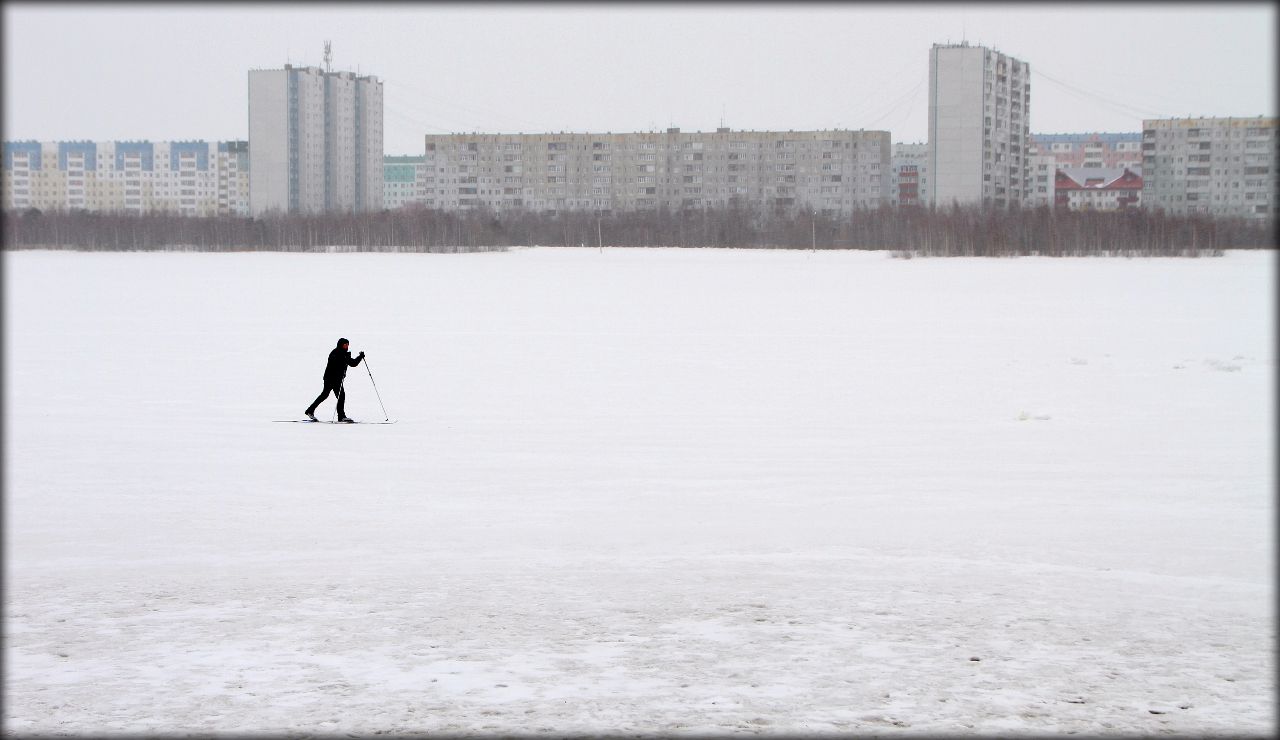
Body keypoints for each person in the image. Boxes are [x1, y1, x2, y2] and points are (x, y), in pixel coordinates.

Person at [305, 338, 365, 422]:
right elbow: (335, 364)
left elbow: (353, 363)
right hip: (331, 378)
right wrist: (344, 361)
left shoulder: (344, 354)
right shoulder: (335, 353)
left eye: (347, 344)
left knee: (327, 395)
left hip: (337, 379)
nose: (347, 346)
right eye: (345, 344)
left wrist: (360, 357)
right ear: (341, 345)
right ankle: (341, 416)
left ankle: (310, 410)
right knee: (338, 396)